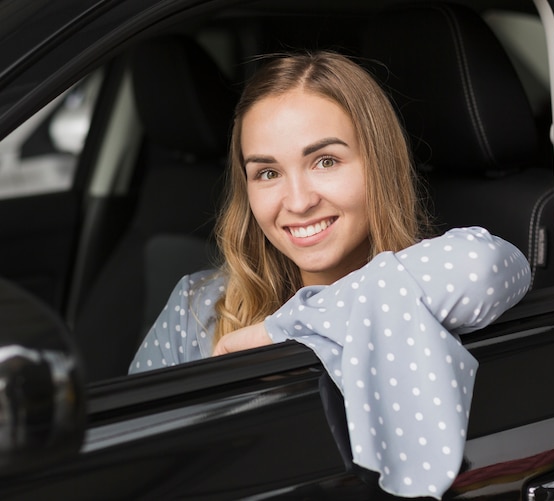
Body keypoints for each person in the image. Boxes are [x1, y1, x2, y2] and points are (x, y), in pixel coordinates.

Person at [129, 51, 531, 498]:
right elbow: (129, 461)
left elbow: (486, 266)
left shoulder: (426, 287)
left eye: (325, 162)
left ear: (378, 165)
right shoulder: (199, 307)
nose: (298, 202)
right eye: (267, 172)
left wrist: (287, 325)